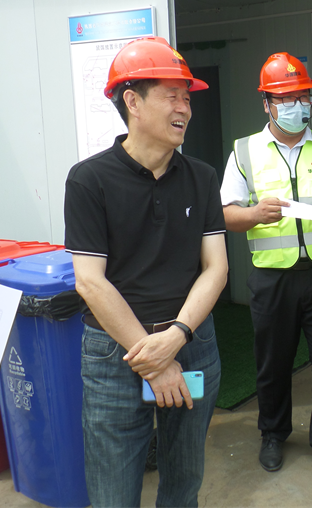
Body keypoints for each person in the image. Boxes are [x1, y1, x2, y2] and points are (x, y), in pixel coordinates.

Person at [64, 36, 227, 507]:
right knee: (112, 492)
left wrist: (175, 338)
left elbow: (216, 267)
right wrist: (152, 360)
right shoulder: (89, 180)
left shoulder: (201, 176)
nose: (185, 108)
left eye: (187, 97)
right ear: (132, 102)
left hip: (191, 346)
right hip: (116, 358)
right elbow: (89, 280)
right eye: (172, 96)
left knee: (184, 482)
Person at [220, 52, 312, 482]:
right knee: (273, 363)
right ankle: (273, 434)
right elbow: (226, 214)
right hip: (273, 278)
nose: (297, 105)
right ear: (266, 103)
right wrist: (254, 215)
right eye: (285, 98)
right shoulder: (244, 151)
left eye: (303, 97)